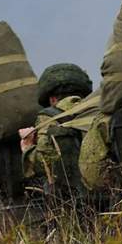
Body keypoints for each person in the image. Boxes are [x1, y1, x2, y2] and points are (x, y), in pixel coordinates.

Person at [21, 63, 93, 198]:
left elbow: (45, 161)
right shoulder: (96, 111)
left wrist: (28, 148)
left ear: (52, 98)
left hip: (69, 200)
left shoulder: (48, 117)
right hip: (107, 197)